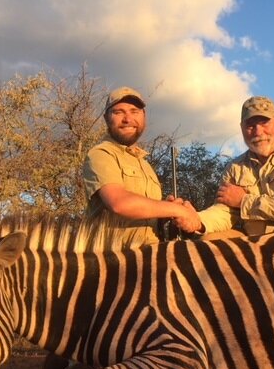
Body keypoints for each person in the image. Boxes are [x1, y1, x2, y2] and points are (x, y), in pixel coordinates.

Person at [175, 96, 274, 237]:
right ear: (241, 128)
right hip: (255, 247)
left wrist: (243, 201)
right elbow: (225, 212)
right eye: (250, 125)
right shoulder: (234, 167)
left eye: (264, 122)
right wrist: (196, 219)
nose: (258, 132)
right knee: (207, 240)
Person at [76, 86, 200, 251]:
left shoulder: (144, 164)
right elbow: (119, 203)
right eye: (118, 112)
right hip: (113, 259)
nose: (127, 118)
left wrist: (168, 216)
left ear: (144, 116)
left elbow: (147, 214)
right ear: (106, 118)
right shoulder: (101, 154)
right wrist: (177, 210)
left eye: (134, 111)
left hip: (149, 256)